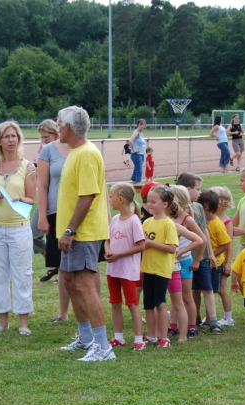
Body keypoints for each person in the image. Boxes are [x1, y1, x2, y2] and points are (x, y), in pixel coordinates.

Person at [55, 106, 112, 361]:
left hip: (83, 233)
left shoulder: (87, 154)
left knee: (84, 285)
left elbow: (88, 196)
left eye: (59, 123)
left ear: (68, 127)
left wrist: (70, 230)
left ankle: (103, 347)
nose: (57, 127)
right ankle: (86, 338)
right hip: (72, 233)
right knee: (69, 282)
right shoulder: (76, 152)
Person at [0, 121, 36, 336]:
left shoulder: (28, 166)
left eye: (14, 136)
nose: (11, 140)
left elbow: (32, 199)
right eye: (7, 136)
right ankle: (2, 321)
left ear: (19, 139)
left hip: (19, 229)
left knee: (22, 274)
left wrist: (19, 197)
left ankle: (23, 322)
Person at [175, 172, 219, 334]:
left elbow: (204, 232)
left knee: (207, 288)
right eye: (197, 189)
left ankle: (213, 320)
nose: (200, 192)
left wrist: (211, 254)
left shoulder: (199, 207)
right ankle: (193, 319)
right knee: (188, 291)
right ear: (187, 190)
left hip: (202, 257)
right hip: (185, 259)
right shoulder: (175, 212)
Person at [37, 120, 71, 322]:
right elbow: (42, 185)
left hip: (80, 213)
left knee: (88, 266)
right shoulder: (48, 151)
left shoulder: (83, 148)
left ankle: (89, 311)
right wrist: (42, 215)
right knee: (62, 264)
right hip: (56, 212)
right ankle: (63, 313)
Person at [104, 183, 146, 350]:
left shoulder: (134, 221)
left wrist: (119, 255)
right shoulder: (114, 220)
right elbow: (108, 240)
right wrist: (108, 251)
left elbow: (141, 246)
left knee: (132, 304)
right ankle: (118, 337)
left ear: (120, 199)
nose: (109, 200)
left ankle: (138, 339)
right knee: (115, 302)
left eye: (111, 196)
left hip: (127, 271)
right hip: (113, 270)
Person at [142, 186, 179, 348]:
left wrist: (151, 244)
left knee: (160, 302)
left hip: (161, 269)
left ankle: (164, 337)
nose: (149, 205)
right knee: (148, 304)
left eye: (153, 201)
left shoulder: (168, 224)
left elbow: (172, 248)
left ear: (165, 204)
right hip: (147, 267)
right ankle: (151, 336)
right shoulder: (147, 222)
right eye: (148, 201)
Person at [168, 184, 207, 338]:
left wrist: (196, 259)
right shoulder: (167, 217)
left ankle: (192, 326)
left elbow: (202, 240)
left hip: (184, 262)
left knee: (186, 296)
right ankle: (172, 325)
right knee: (174, 295)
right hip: (171, 262)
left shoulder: (186, 219)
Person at [196, 189, 232, 329]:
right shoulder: (201, 222)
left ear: (204, 207)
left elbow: (225, 245)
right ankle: (199, 317)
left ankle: (209, 320)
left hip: (214, 265)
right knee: (198, 290)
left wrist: (212, 255)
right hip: (203, 262)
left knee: (209, 290)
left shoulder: (217, 224)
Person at [33, 120, 59, 283]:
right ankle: (55, 264)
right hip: (45, 198)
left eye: (46, 137)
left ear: (55, 133)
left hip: (58, 201)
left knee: (57, 237)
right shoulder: (43, 149)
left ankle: (59, 267)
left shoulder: (63, 149)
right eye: (41, 138)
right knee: (34, 233)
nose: (43, 141)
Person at [210, 186, 235, 326]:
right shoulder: (212, 218)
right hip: (214, 261)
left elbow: (229, 244)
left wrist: (228, 263)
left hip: (222, 261)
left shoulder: (227, 222)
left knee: (222, 289)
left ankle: (228, 318)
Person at [128, 119, 147, 183]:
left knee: (136, 169)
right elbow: (130, 141)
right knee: (139, 171)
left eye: (143, 124)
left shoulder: (141, 133)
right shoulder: (136, 132)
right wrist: (133, 150)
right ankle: (138, 186)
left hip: (141, 154)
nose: (142, 125)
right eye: (140, 124)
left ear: (145, 125)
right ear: (138, 125)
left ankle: (134, 183)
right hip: (136, 154)